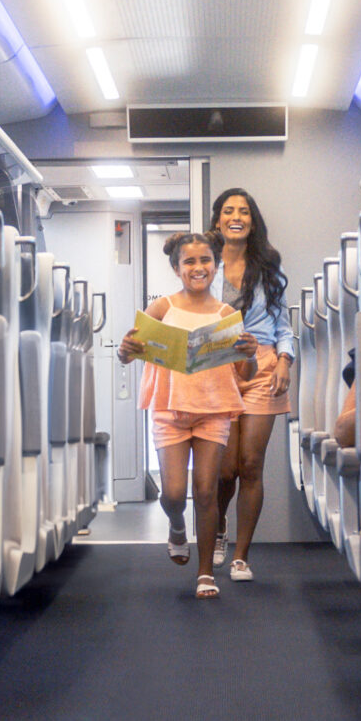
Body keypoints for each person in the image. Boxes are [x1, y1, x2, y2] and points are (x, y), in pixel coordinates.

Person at [117, 230, 251, 598]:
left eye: (205, 260)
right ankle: (176, 525)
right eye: (189, 261)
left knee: (206, 492)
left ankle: (204, 573)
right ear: (177, 268)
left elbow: (245, 374)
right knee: (175, 493)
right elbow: (129, 353)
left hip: (213, 409)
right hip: (169, 408)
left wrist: (250, 354)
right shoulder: (163, 308)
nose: (198, 267)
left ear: (216, 265)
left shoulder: (227, 315)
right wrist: (125, 349)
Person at [206, 188, 293, 581]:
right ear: (218, 220)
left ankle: (242, 555)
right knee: (225, 472)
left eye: (243, 211)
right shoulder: (204, 265)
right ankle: (219, 528)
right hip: (217, 369)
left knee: (251, 465)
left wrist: (285, 362)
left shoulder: (268, 269)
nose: (236, 216)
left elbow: (284, 327)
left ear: (252, 222)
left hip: (262, 367)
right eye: (228, 211)